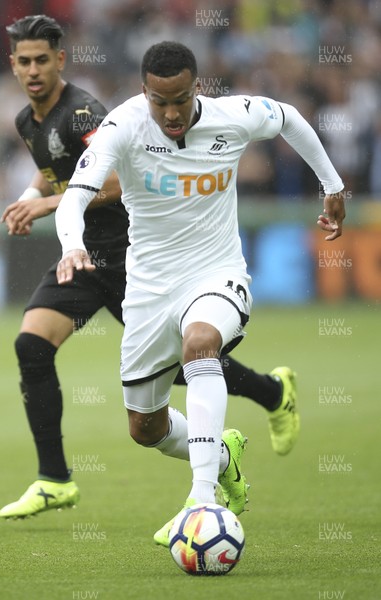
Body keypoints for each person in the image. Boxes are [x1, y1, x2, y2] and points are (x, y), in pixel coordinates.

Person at [0, 18, 300, 520]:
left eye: (42, 60)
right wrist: (32, 195)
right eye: (24, 61)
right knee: (32, 344)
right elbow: (55, 163)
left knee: (186, 364)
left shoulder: (84, 113)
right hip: (83, 256)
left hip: (130, 256)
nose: (33, 70)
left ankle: (271, 393)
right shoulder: (28, 120)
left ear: (60, 60)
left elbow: (110, 180)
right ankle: (54, 478)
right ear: (13, 64)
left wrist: (51, 204)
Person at [55, 41, 345, 547]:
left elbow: (291, 118)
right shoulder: (122, 127)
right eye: (158, 100)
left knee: (201, 344)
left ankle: (203, 497)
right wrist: (72, 245)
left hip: (216, 273)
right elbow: (74, 199)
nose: (170, 112)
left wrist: (332, 185)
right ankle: (222, 455)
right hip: (148, 290)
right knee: (145, 427)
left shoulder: (234, 115)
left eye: (181, 98)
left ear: (197, 87)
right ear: (143, 91)